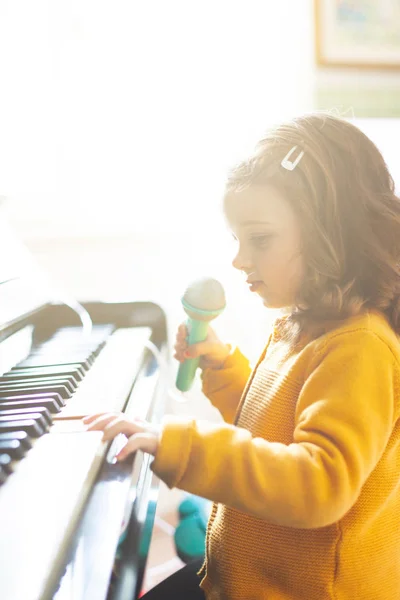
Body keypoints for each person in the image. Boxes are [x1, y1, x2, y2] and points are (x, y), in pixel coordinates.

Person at [83, 112, 400, 599]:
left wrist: (181, 444)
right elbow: (271, 433)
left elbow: (317, 484)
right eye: (237, 239)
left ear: (332, 232)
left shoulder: (360, 349)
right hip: (244, 580)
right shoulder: (308, 326)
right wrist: (224, 368)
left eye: (260, 239)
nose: (239, 259)